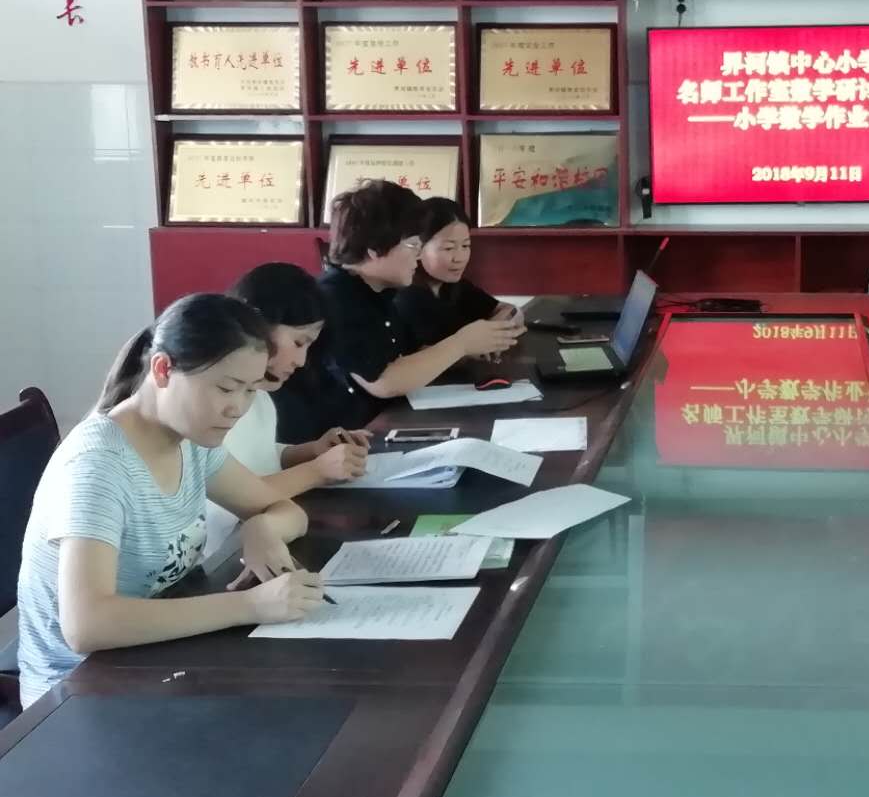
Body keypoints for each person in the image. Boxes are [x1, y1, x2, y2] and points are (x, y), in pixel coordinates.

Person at [16, 294, 326, 707]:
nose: (237, 408)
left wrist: (262, 527)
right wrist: (250, 605)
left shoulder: (190, 440)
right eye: (226, 388)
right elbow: (87, 625)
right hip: (76, 692)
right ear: (163, 369)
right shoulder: (98, 465)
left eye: (251, 390)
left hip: (154, 659)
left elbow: (286, 510)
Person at [276, 180, 524, 440]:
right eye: (413, 246)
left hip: (373, 429)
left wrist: (470, 347)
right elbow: (385, 381)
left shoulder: (380, 291)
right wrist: (462, 343)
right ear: (374, 250)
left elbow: (408, 357)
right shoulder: (338, 298)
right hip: (331, 444)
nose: (418, 256)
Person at [206, 262, 373, 559]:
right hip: (225, 554)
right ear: (258, 325)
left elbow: (256, 455)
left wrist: (309, 451)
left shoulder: (260, 396)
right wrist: (317, 471)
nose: (301, 360)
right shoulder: (215, 408)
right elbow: (235, 499)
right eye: (299, 342)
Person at [393, 197, 524, 350]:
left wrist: (493, 332)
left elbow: (511, 310)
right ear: (417, 248)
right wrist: (484, 339)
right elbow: (426, 356)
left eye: (465, 245)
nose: (460, 258)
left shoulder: (454, 285)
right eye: (448, 248)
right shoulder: (405, 298)